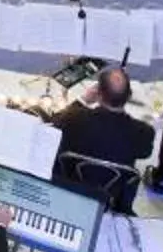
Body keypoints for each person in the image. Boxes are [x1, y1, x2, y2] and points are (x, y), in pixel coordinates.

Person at [50, 67, 154, 214]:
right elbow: (145, 153)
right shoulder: (143, 132)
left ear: (98, 93)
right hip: (112, 194)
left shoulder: (73, 119)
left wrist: (83, 100)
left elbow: (53, 123)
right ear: (129, 95)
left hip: (72, 184)